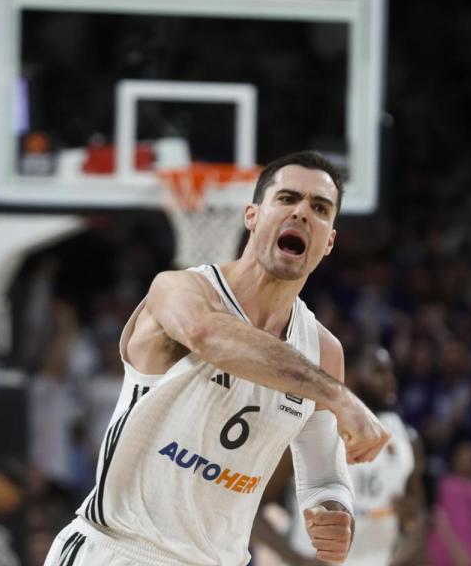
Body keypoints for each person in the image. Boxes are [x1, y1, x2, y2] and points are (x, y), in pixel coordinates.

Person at [43, 151, 390, 566]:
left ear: (329, 240)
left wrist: (336, 511)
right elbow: (207, 335)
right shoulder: (180, 291)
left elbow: (323, 478)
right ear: (252, 216)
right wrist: (340, 397)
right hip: (121, 550)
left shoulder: (323, 351)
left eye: (319, 208)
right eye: (287, 199)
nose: (301, 213)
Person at [252, 343, 427, 566]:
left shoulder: (406, 439)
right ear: (350, 375)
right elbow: (253, 510)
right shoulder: (311, 432)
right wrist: (295, 559)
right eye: (378, 371)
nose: (390, 379)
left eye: (390, 371)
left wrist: (410, 521)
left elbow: (417, 520)